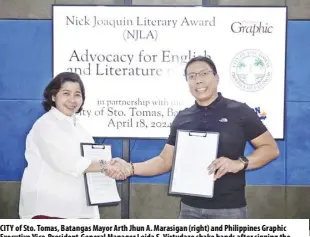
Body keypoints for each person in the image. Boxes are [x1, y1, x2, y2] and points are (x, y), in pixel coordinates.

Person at [110, 56, 280, 219]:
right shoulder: (182, 117)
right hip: (189, 210)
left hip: (229, 210)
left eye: (204, 74)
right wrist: (130, 168)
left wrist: (239, 163)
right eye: (191, 76)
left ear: (217, 78)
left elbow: (270, 149)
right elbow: (164, 161)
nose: (198, 80)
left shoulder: (240, 111)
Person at [19, 72, 124, 219]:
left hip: (79, 211)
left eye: (77, 94)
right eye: (66, 93)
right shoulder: (46, 125)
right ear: (53, 96)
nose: (72, 100)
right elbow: (67, 163)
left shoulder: (81, 130)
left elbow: (94, 165)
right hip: (49, 211)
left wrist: (110, 168)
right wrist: (106, 166)